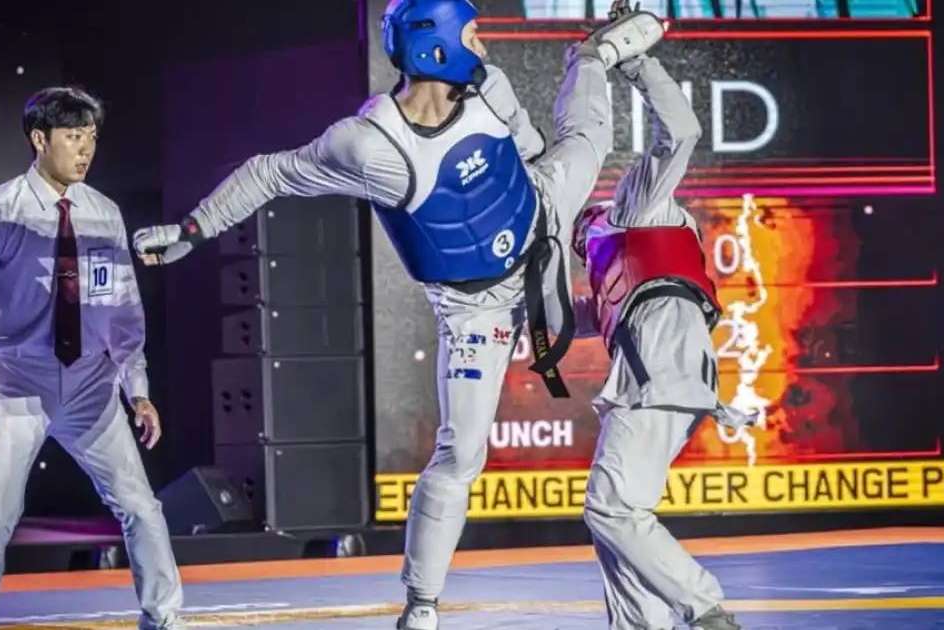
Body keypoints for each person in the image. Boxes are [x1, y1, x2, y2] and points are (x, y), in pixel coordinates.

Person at [130, 2, 665, 627]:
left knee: (587, 139)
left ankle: (592, 55)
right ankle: (422, 604)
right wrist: (191, 230)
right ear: (436, 49)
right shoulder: (367, 144)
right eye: (473, 36)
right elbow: (268, 174)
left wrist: (555, 229)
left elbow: (532, 151)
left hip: (542, 215)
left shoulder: (490, 87)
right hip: (475, 311)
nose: (485, 49)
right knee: (461, 453)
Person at [0, 87, 183, 630]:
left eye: (92, 138)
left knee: (141, 507)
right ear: (39, 139)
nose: (85, 150)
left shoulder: (104, 213)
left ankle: (166, 619)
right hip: (18, 383)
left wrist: (138, 390)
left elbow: (123, 311)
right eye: (73, 137)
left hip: (91, 384)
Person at [570, 53, 751, 629]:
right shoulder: (608, 273)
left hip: (664, 370)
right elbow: (554, 320)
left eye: (581, 226)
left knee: (612, 507)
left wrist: (638, 63)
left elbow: (682, 131)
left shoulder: (636, 211)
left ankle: (704, 607)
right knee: (619, 519)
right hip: (670, 374)